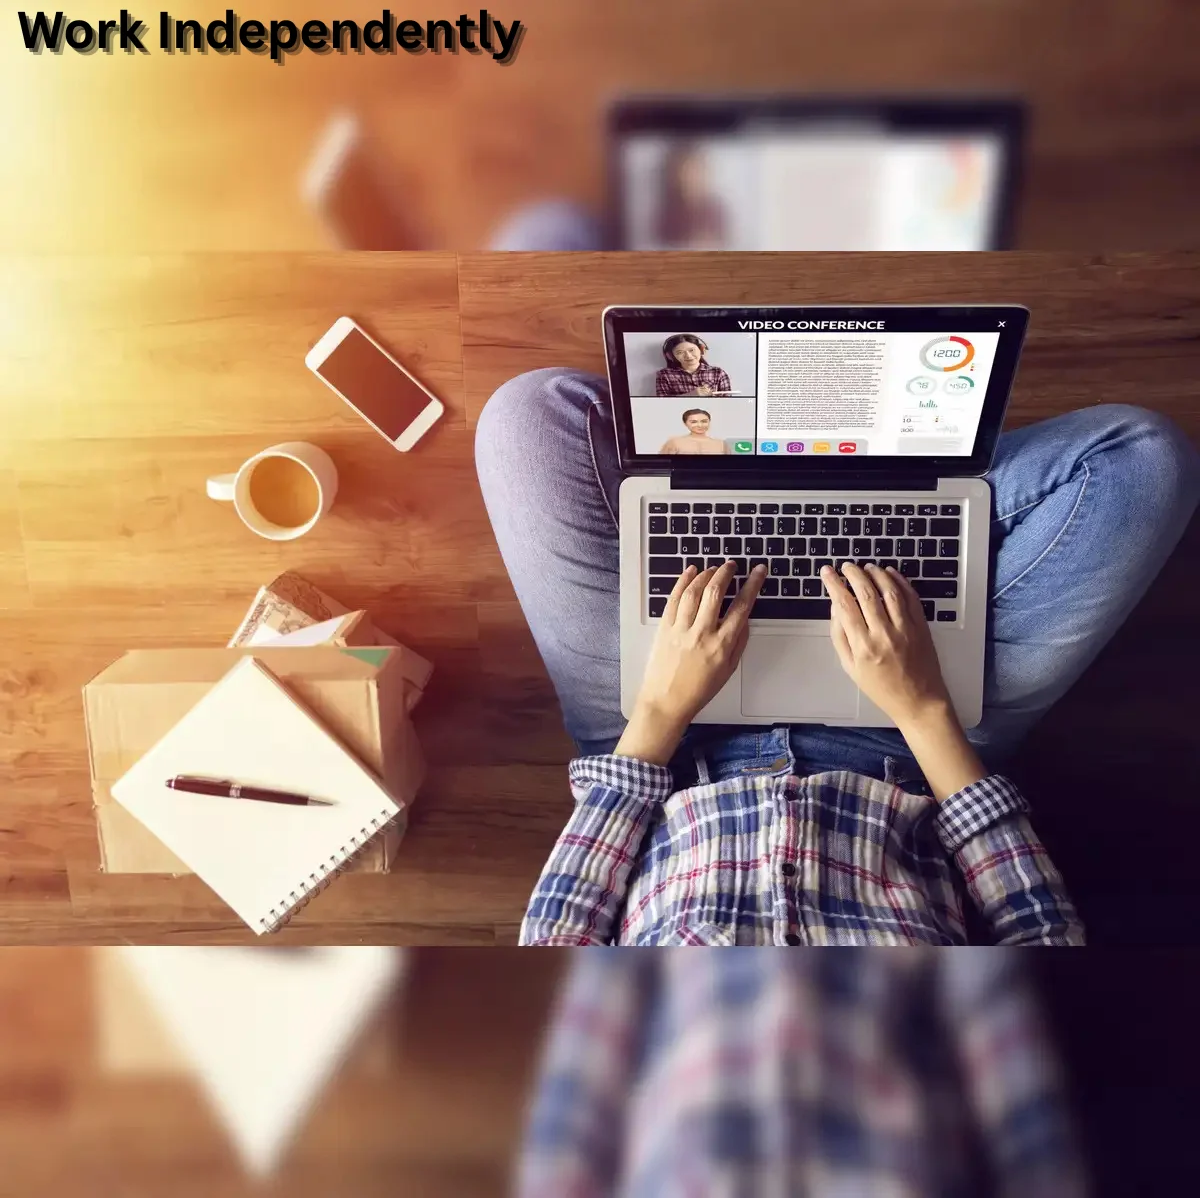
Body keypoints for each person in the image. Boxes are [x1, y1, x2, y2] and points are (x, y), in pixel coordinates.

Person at [474, 368, 1199, 946]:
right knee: (1141, 463)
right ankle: (882, 482)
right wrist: (922, 707)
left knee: (528, 417)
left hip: (666, 746)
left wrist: (662, 705)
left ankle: (810, 485)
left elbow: (560, 931)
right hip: (911, 747)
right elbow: (1043, 932)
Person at [516, 951, 1087, 1197]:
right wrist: (927, 722)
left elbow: (575, 1091)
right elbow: (1002, 1027)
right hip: (897, 771)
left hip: (688, 771)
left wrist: (657, 724)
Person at [655, 334, 733, 396]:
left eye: (691, 350)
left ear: (702, 350)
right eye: (680, 352)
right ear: (670, 356)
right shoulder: (664, 375)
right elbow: (662, 402)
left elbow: (728, 402)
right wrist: (691, 394)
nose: (688, 356)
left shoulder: (718, 373)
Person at [658, 408, 730, 455]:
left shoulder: (721, 443)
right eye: (693, 422)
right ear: (685, 423)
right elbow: (662, 464)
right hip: (683, 477)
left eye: (704, 421)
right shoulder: (674, 442)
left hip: (714, 477)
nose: (700, 425)